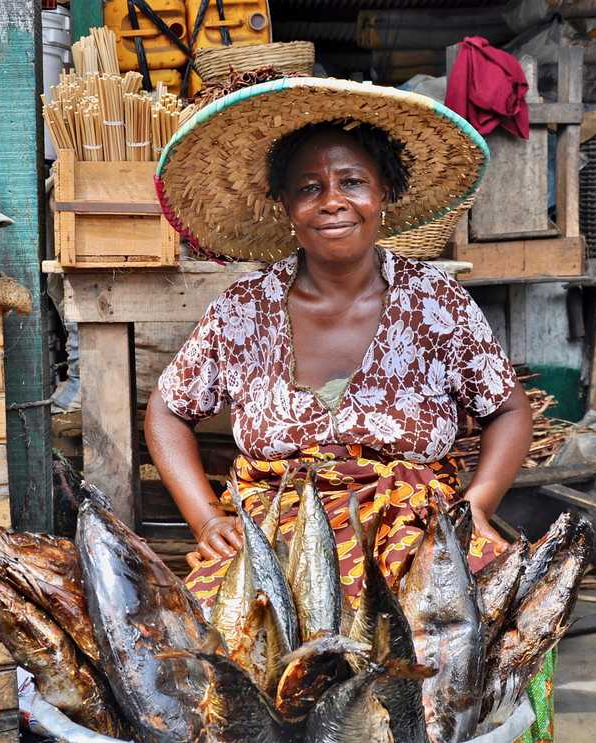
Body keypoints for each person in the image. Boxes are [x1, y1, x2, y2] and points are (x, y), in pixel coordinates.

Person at [145, 76, 533, 607]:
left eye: (352, 182)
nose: (332, 202)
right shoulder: (244, 310)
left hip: (414, 524)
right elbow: (167, 411)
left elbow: (508, 411)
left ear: (384, 194)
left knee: (491, 618)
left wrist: (477, 508)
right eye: (309, 188)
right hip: (277, 531)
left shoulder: (435, 303)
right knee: (210, 638)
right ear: (285, 204)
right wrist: (207, 518)